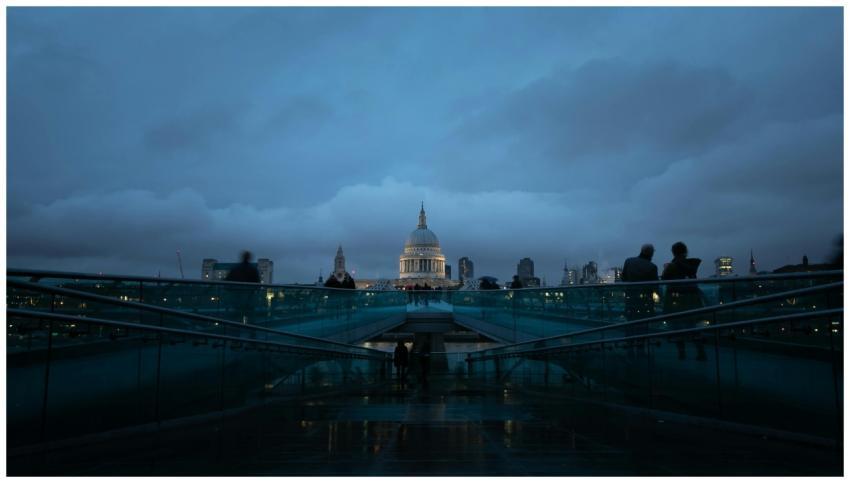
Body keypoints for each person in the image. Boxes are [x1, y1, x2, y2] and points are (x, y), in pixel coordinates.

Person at [660, 241, 706, 360]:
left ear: (673, 252)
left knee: (676, 327)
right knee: (692, 326)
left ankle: (681, 353)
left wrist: (666, 269)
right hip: (691, 299)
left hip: (675, 299)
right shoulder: (691, 265)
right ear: (685, 251)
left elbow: (664, 279)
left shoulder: (672, 266)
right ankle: (700, 351)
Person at [621, 244, 659, 356]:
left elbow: (624, 278)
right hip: (644, 302)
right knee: (642, 325)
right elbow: (655, 287)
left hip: (630, 299)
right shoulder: (652, 267)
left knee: (630, 324)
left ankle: (629, 349)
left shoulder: (628, 261)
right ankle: (640, 349)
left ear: (641, 251)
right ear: (651, 254)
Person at [225, 251, 261, 324]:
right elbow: (258, 283)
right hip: (249, 298)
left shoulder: (235, 268)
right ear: (249, 258)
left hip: (236, 298)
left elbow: (227, 281)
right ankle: (252, 332)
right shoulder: (253, 269)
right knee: (251, 316)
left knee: (237, 317)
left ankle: (235, 333)